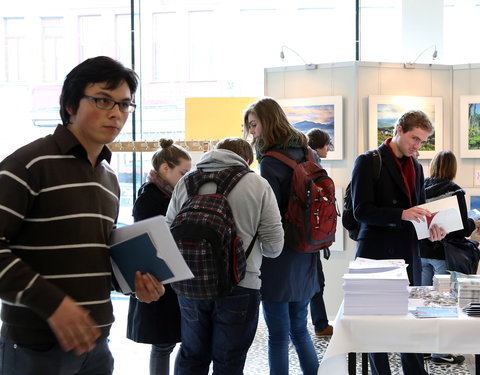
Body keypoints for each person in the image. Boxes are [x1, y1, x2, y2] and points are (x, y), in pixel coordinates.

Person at [0, 56, 163, 375]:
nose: (116, 113)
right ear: (70, 104)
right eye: (103, 100)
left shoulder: (109, 180)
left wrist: (134, 283)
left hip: (97, 346)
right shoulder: (28, 165)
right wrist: (53, 304)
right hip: (36, 349)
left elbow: (94, 262)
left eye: (125, 105)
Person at [166, 137, 284, 375]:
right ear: (247, 159)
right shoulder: (257, 184)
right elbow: (274, 248)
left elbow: (168, 232)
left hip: (190, 284)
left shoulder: (186, 181)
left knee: (191, 356)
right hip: (240, 285)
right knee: (229, 361)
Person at [351, 110, 447, 375]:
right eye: (414, 138)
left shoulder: (416, 166)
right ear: (399, 129)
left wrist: (432, 228)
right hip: (376, 253)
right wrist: (400, 214)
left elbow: (419, 210)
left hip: (408, 254)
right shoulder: (369, 161)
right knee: (376, 326)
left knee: (410, 323)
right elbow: (362, 211)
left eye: (422, 141)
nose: (417, 146)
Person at [245, 97, 320, 375]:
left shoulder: (269, 162)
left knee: (278, 334)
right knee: (300, 329)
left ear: (267, 121)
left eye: (254, 125)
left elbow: (271, 215)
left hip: (279, 255)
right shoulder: (309, 152)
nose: (252, 131)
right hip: (308, 249)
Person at [127, 139, 192, 374]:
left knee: (170, 342)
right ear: (165, 168)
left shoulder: (171, 195)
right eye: (182, 173)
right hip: (157, 279)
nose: (186, 178)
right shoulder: (150, 198)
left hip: (169, 277)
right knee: (163, 344)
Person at [419, 150, 474, 365]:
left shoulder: (420, 187)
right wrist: (472, 223)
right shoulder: (454, 191)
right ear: (452, 168)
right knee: (443, 305)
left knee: (423, 303)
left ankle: (422, 348)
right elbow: (460, 229)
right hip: (443, 255)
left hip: (421, 254)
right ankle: (440, 352)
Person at [305, 128, 333, 337]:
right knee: (316, 281)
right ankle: (320, 325)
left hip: (305, 233)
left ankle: (320, 324)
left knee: (314, 280)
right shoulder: (313, 165)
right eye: (327, 144)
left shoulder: (305, 163)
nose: (329, 149)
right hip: (311, 234)